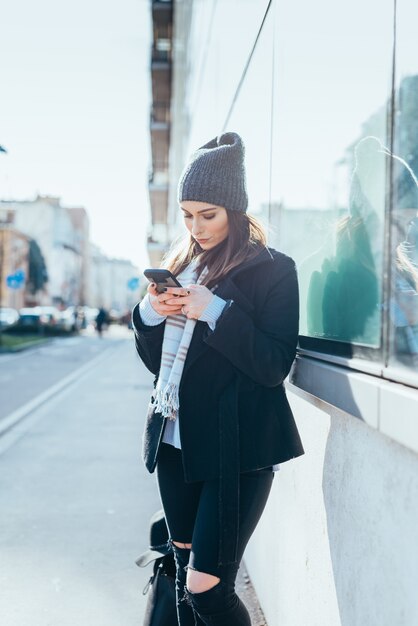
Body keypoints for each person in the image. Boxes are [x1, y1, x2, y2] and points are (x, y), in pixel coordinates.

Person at [132, 132, 304, 625]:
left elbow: (274, 364)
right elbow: (157, 365)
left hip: (239, 449)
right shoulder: (182, 267)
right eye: (187, 214)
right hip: (176, 442)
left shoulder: (274, 271)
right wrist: (149, 313)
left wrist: (216, 312)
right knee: (184, 572)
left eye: (207, 214)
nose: (196, 226)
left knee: (207, 589)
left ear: (234, 208)